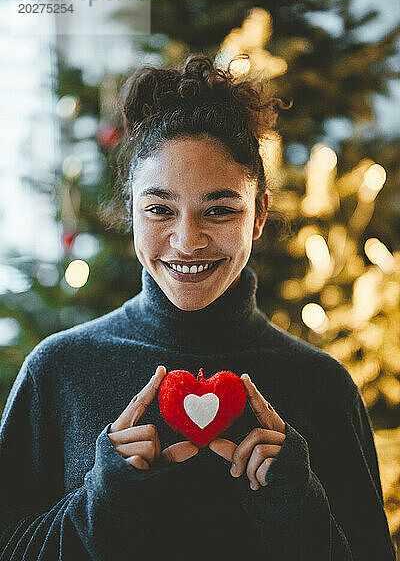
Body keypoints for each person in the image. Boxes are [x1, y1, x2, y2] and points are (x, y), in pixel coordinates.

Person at [0, 54, 396, 561]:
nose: (187, 241)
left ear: (258, 215)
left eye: (220, 210)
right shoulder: (57, 371)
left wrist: (297, 504)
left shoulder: (322, 385)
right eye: (160, 209)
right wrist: (104, 501)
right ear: (131, 211)